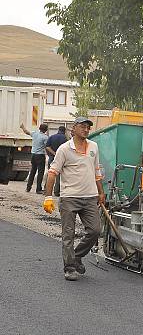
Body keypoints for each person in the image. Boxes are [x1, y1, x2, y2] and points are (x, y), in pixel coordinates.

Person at [43, 117, 105, 281]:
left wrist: (101, 192)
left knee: (95, 231)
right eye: (83, 126)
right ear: (74, 129)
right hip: (69, 198)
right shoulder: (64, 149)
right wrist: (48, 197)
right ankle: (69, 267)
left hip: (90, 197)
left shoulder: (94, 146)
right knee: (68, 235)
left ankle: (76, 256)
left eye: (88, 127)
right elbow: (52, 173)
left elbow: (96, 171)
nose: (86, 129)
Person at [20, 123, 48, 194]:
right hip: (40, 156)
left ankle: (28, 188)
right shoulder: (45, 137)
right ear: (46, 130)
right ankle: (38, 189)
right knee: (40, 173)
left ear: (39, 128)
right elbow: (46, 146)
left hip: (33, 155)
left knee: (32, 172)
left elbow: (27, 132)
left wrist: (23, 127)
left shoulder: (35, 133)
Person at [45, 126, 68, 197]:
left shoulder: (52, 137)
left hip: (52, 158)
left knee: (50, 174)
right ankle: (56, 191)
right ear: (64, 131)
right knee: (58, 176)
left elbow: (47, 147)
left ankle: (46, 190)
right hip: (61, 159)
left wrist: (54, 153)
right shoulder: (65, 139)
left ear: (58, 130)